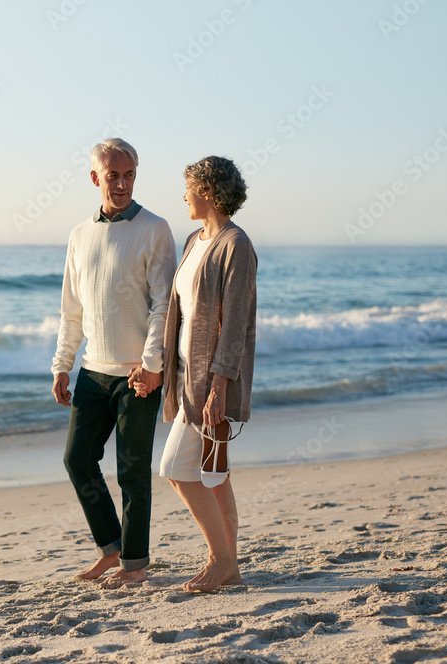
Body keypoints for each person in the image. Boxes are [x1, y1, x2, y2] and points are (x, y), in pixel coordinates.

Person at [51, 138, 177, 589]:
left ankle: (136, 566)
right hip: (92, 371)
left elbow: (164, 305)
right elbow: (73, 309)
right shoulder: (79, 235)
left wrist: (152, 363)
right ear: (95, 178)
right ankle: (112, 548)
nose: (121, 184)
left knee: (131, 469)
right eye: (113, 176)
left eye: (129, 175)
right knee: (77, 460)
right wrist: (62, 364)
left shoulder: (154, 228)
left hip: (137, 375)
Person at [139, 155, 256, 592]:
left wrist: (218, 388)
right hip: (187, 373)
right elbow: (180, 314)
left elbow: (236, 325)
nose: (182, 195)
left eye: (187, 187)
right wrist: (157, 364)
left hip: (210, 382)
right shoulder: (194, 240)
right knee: (214, 474)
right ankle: (232, 567)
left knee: (174, 467)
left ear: (207, 190)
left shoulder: (235, 245)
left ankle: (220, 559)